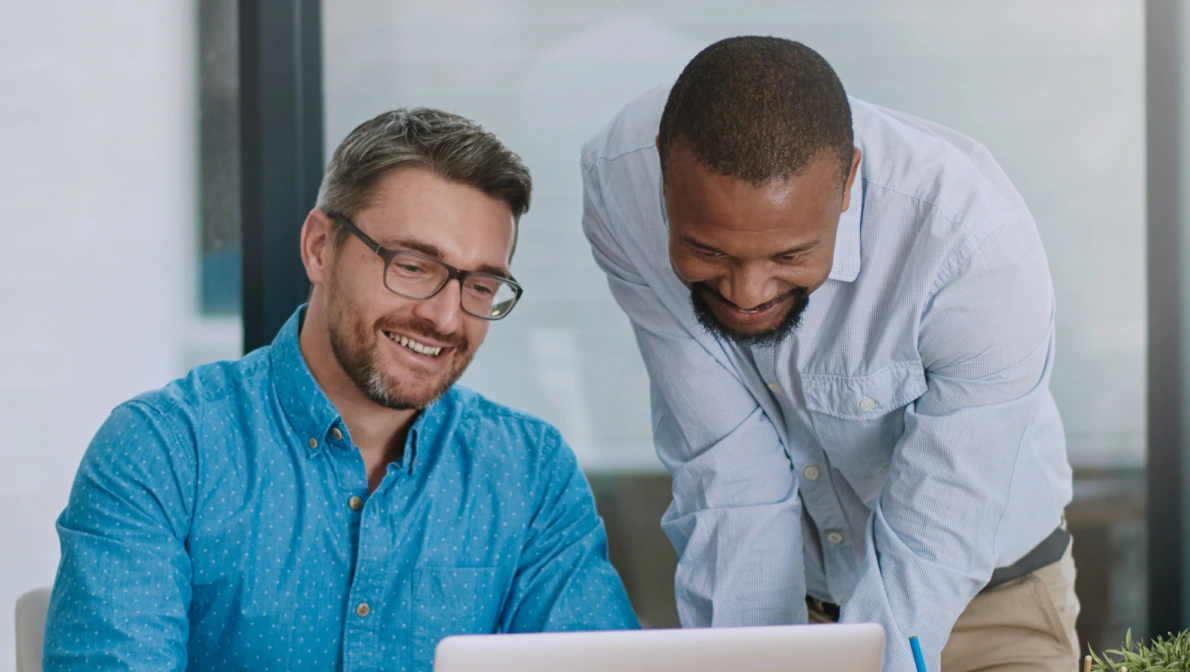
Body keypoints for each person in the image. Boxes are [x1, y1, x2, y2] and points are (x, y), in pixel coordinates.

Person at [44, 108, 639, 671]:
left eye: (480, 286)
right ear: (320, 248)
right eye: (412, 266)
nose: (446, 318)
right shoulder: (164, 452)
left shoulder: (529, 474)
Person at [582, 36, 1077, 672]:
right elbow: (729, 473)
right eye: (709, 253)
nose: (746, 293)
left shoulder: (974, 247)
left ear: (847, 184)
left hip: (993, 599)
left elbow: (936, 538)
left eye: (790, 256)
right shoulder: (617, 183)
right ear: (661, 171)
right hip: (798, 604)